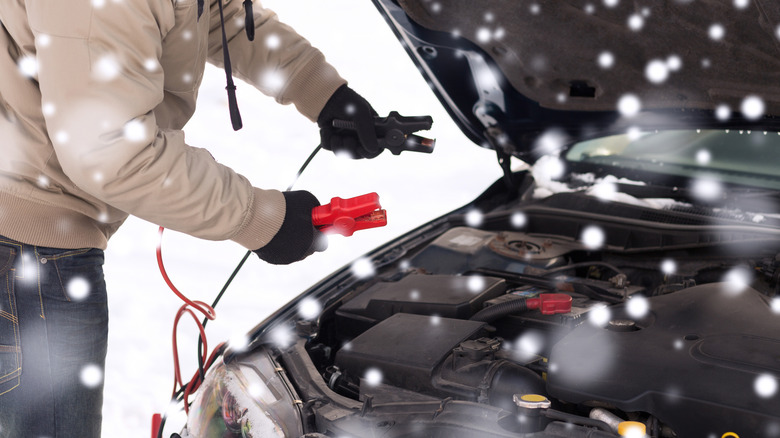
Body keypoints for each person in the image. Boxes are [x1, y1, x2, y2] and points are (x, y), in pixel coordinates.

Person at [0, 0, 386, 436]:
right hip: (25, 250)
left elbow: (220, 16)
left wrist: (322, 91)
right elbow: (110, 152)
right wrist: (263, 219)